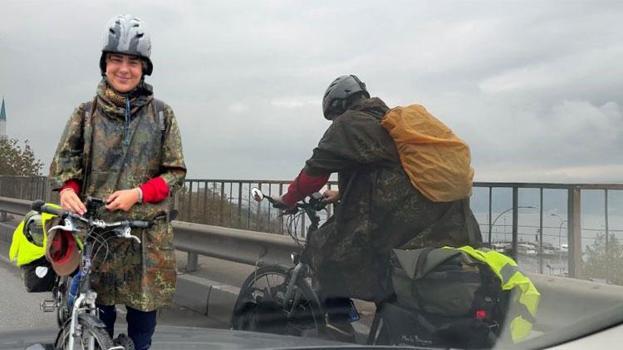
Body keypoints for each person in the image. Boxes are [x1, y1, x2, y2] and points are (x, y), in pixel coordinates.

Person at [275, 74, 482, 336]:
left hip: (402, 219)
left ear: (337, 106)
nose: (334, 121)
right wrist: (340, 194)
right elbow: (393, 172)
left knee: (324, 249)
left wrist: (287, 199)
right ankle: (387, 326)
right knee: (391, 273)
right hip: (445, 216)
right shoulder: (390, 123)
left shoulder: (349, 124)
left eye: (332, 116)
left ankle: (339, 323)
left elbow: (314, 173)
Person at [49, 14, 186, 350]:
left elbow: (175, 174)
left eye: (133, 62)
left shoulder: (162, 116)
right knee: (99, 312)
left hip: (144, 234)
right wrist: (68, 190)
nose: (124, 69)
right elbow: (66, 163)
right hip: (97, 234)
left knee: (142, 323)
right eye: (116, 60)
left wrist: (138, 193)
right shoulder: (85, 114)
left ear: (144, 68)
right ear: (104, 64)